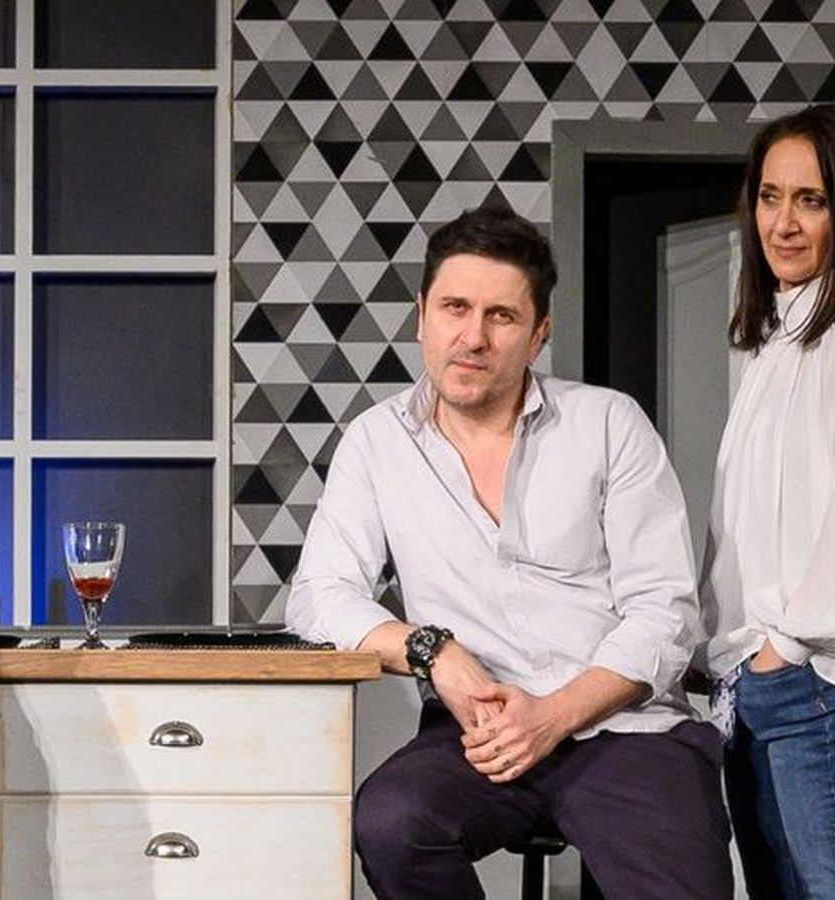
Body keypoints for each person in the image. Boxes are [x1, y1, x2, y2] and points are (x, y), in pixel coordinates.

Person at [285, 206, 733, 899]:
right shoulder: (377, 443)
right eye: (455, 308)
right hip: (476, 733)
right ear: (422, 317)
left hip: (626, 729)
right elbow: (319, 594)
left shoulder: (607, 424)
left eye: (501, 316)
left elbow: (665, 613)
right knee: (393, 823)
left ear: (538, 333)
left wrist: (553, 715)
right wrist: (434, 651)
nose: (473, 337)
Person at [702, 105, 835, 899]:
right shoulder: (776, 341)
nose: (783, 224)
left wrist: (785, 644)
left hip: (813, 682)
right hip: (756, 686)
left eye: (811, 200)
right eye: (769, 196)